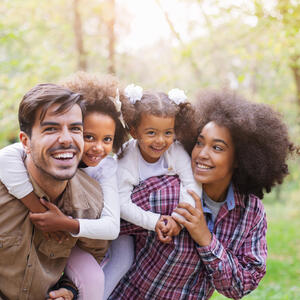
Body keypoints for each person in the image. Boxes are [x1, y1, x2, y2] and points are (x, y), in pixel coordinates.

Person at [108, 90, 297, 299]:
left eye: (217, 147)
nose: (201, 154)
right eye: (199, 142)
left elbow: (243, 285)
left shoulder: (250, 212)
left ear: (239, 158)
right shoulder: (166, 191)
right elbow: (110, 223)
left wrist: (205, 238)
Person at [0, 72, 130, 300]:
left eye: (76, 129)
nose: (67, 139)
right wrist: (36, 207)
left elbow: (94, 255)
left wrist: (69, 289)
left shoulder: (93, 201)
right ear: (25, 142)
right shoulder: (8, 178)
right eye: (51, 129)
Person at [103, 84, 202, 298]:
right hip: (124, 224)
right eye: (151, 133)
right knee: (122, 261)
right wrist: (154, 221)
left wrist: (178, 218)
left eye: (168, 132)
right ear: (134, 131)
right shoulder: (125, 158)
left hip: (165, 223)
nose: (160, 140)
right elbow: (121, 203)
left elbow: (191, 184)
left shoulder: (175, 151)